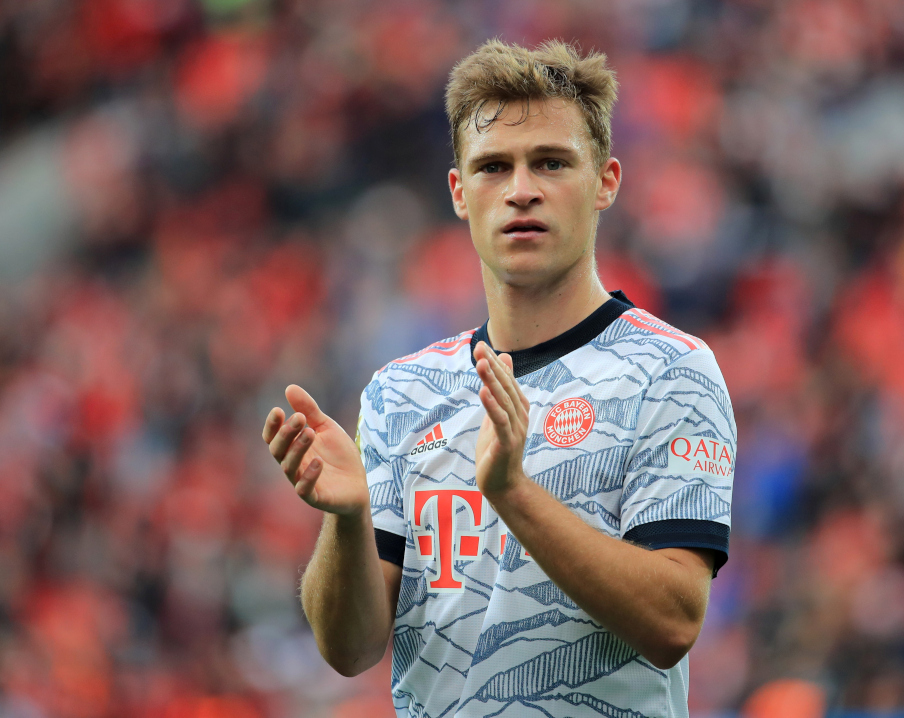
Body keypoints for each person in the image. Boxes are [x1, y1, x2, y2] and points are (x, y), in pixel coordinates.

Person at [262, 39, 736, 718]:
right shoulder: (400, 394)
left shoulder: (672, 371)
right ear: (460, 192)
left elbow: (673, 623)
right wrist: (347, 519)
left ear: (605, 182)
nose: (521, 190)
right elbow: (350, 649)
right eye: (493, 167)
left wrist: (514, 493)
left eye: (551, 162)